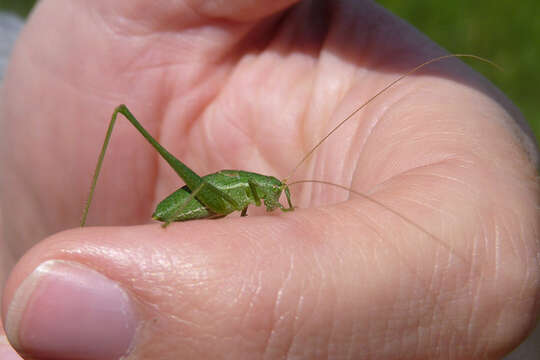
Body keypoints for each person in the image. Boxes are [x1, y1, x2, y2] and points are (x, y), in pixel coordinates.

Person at [1, 1, 538, 359]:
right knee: (129, 117)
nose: (279, 198)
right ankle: (79, 224)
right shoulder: (249, 192)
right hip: (196, 199)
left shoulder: (263, 185)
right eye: (276, 194)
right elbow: (230, 198)